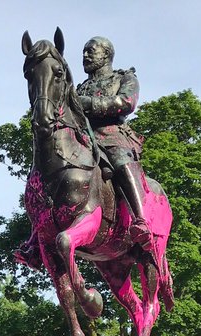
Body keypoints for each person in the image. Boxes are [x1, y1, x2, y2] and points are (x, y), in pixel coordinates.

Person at [75, 36, 152, 244]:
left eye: (91, 51)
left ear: (106, 54)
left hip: (111, 134)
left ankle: (141, 220)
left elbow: (126, 102)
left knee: (121, 160)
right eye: (84, 52)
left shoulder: (124, 78)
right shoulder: (79, 88)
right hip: (83, 137)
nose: (85, 55)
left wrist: (88, 103)